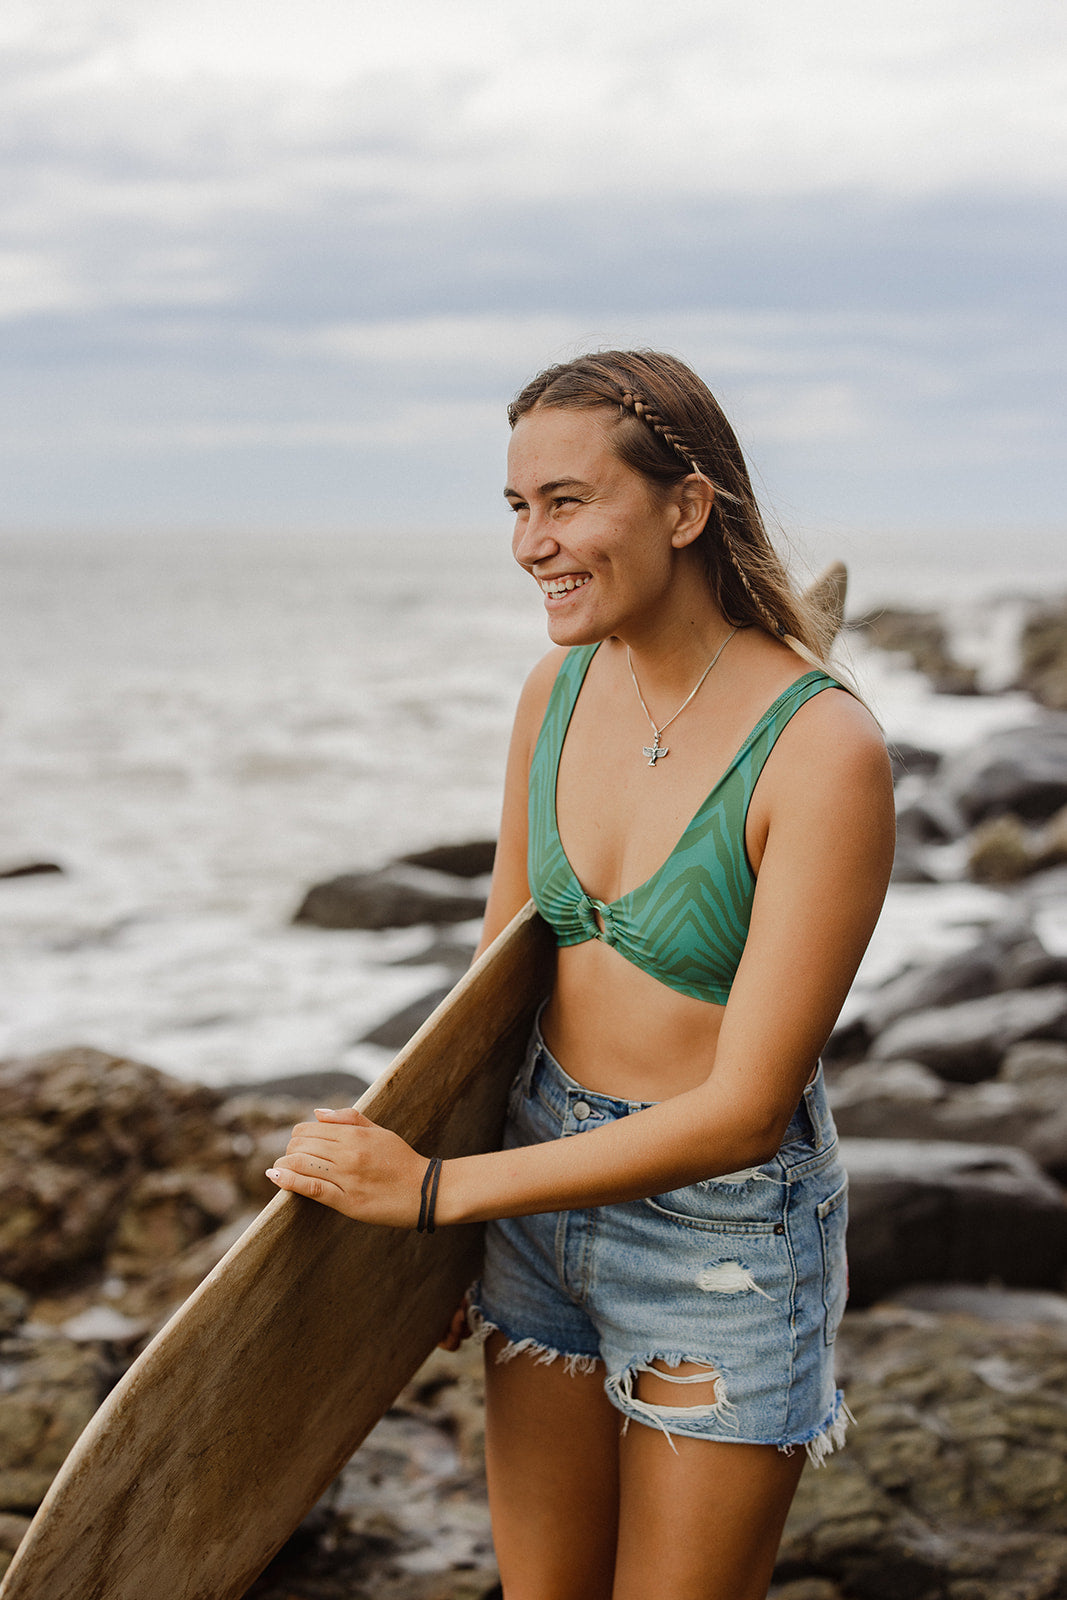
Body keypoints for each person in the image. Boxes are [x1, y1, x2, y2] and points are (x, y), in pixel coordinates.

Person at [267, 350, 896, 1600]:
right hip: (532, 1189)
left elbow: (742, 1109)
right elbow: (491, 1004)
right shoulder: (556, 690)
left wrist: (438, 1190)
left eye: (566, 501)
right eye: (515, 507)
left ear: (682, 507)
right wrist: (441, 1239)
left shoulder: (822, 751)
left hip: (718, 1239)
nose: (529, 544)